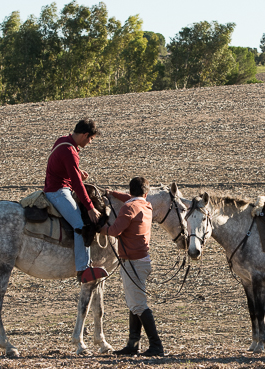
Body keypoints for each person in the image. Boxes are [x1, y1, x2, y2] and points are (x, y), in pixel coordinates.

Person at [102, 176, 164, 357]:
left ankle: (156, 345)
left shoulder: (128, 208)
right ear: (146, 193)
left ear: (131, 190)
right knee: (134, 303)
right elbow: (132, 198)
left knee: (138, 305)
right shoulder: (146, 205)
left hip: (132, 263)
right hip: (142, 261)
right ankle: (133, 344)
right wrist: (114, 194)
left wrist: (98, 228)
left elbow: (115, 231)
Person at [44, 119, 107, 283]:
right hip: (58, 192)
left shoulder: (62, 141)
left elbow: (64, 167)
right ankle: (83, 269)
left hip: (55, 188)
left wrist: (78, 171)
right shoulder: (70, 152)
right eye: (91, 138)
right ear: (85, 135)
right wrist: (90, 207)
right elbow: (78, 185)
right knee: (81, 226)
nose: (90, 142)